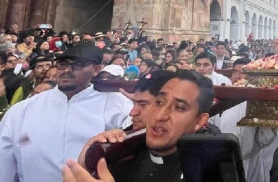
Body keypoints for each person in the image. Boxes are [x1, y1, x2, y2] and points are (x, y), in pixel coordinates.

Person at [0, 42, 133, 182]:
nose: (67, 70)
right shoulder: (23, 110)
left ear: (96, 69)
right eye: (62, 64)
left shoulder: (117, 104)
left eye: (78, 65)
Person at [70, 70, 216, 182]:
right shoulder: (124, 152)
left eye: (179, 107)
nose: (160, 116)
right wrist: (85, 166)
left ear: (199, 122)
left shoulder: (210, 169)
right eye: (159, 102)